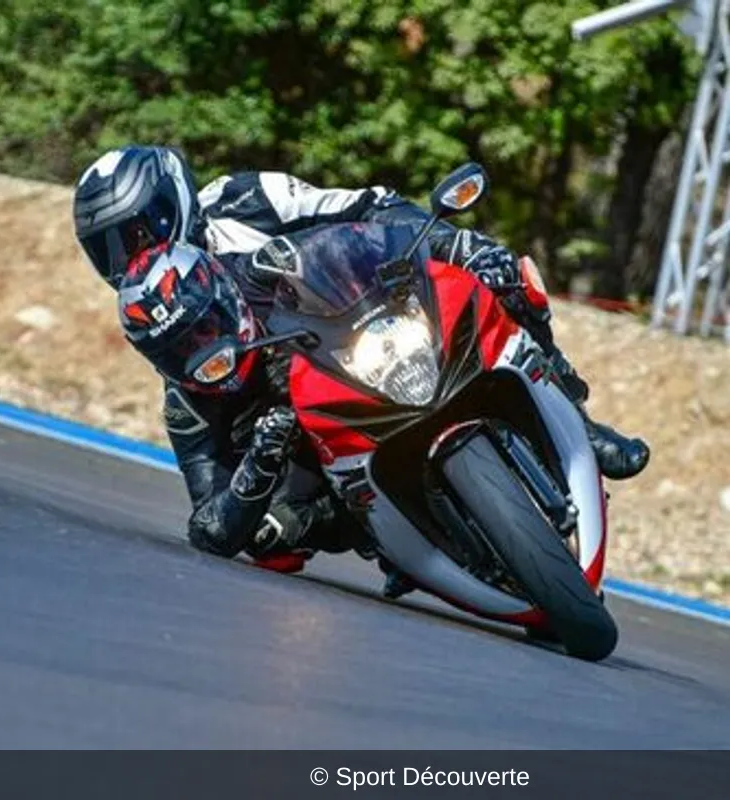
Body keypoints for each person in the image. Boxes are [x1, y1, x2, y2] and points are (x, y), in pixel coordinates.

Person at [73, 145, 650, 587]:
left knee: (501, 271)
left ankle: (578, 420)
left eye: (137, 232)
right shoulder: (170, 334)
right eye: (109, 250)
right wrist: (259, 465)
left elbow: (362, 206)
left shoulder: (243, 199)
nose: (128, 256)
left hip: (364, 316)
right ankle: (393, 535)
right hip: (309, 412)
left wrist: (453, 245)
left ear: (172, 200)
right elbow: (209, 518)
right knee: (274, 537)